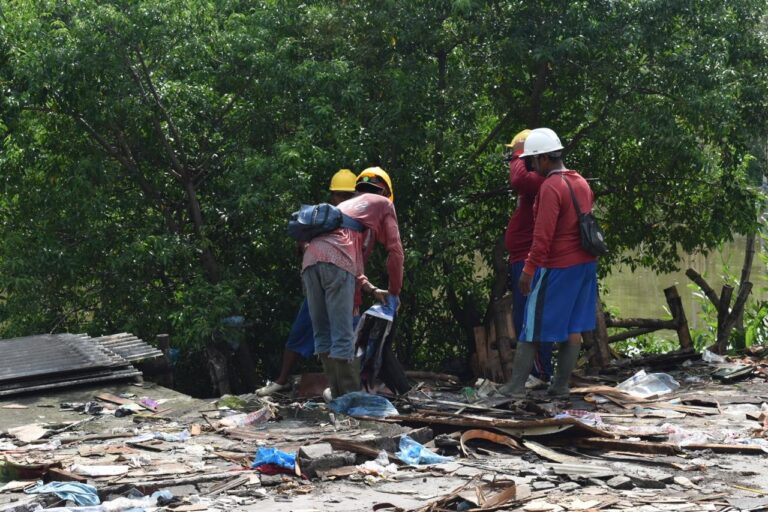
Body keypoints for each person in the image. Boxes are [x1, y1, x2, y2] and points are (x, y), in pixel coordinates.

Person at [501, 128, 598, 399]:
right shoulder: (580, 181)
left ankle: (515, 386)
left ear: (544, 159)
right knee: (573, 329)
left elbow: (543, 237)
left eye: (533, 161)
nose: (532, 167)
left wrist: (529, 271)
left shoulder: (551, 187)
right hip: (585, 266)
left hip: (559, 267)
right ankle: (560, 386)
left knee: (531, 325)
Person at [303, 166, 404, 399]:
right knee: (343, 334)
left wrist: (370, 288)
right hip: (337, 263)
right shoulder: (383, 204)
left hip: (310, 261)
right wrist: (394, 292)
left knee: (323, 334)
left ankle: (338, 395)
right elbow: (395, 252)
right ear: (386, 191)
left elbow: (353, 261)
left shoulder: (345, 209)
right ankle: (350, 399)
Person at [256, 169, 358, 396]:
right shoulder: (349, 221)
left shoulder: (319, 217)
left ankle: (332, 388)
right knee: (343, 334)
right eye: (343, 196)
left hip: (313, 273)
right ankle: (347, 394)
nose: (344, 200)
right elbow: (356, 259)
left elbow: (300, 246)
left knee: (321, 332)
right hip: (336, 276)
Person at [503, 129, 553, 383]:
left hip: (528, 260)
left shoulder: (539, 181)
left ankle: (540, 372)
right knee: (527, 317)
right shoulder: (537, 182)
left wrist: (518, 151)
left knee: (530, 319)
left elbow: (517, 179)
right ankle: (538, 372)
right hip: (522, 257)